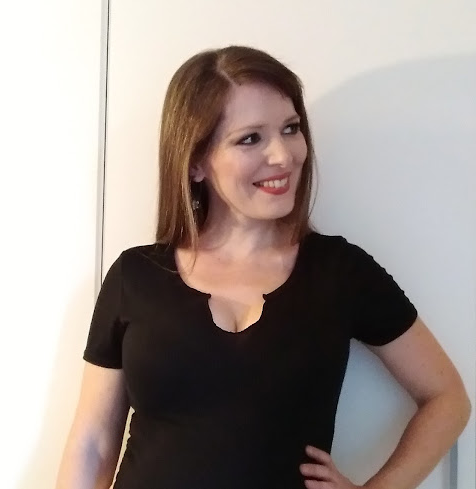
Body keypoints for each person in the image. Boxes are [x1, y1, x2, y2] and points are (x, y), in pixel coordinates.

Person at [55, 46, 471, 489]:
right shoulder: (136, 277)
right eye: (250, 138)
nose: (284, 155)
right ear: (196, 162)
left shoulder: (340, 273)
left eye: (291, 129)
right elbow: (92, 444)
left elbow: (447, 399)